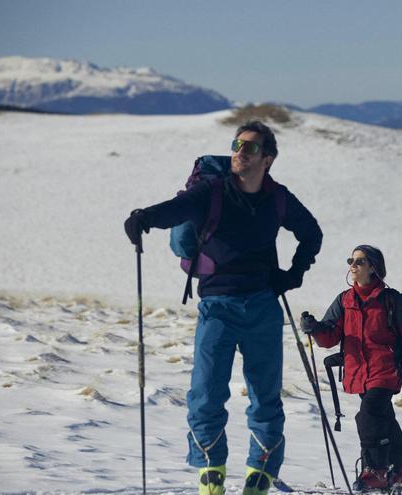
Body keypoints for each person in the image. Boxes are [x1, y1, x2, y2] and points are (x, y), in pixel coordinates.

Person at [123, 121, 323, 495]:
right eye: (236, 144)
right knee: (205, 394)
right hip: (217, 306)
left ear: (268, 158)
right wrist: (144, 218)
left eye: (249, 148)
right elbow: (176, 209)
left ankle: (260, 477)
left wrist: (292, 275)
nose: (239, 152)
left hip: (263, 306)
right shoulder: (211, 192)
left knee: (265, 397)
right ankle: (210, 474)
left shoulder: (278, 198)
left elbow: (311, 233)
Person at [300, 245, 402, 491]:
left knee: (369, 413)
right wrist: (314, 327)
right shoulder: (344, 300)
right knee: (383, 417)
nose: (353, 265)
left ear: (373, 267)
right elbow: (329, 337)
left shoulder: (391, 300)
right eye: (351, 260)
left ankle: (376, 471)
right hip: (357, 371)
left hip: (385, 369)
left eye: (359, 261)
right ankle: (401, 468)